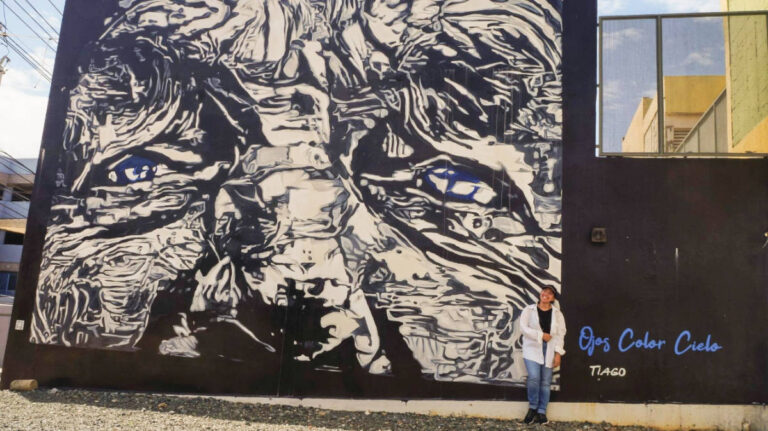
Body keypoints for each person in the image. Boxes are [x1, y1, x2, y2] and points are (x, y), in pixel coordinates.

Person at [520, 286, 566, 425]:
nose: (546, 294)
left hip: (550, 349)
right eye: (544, 291)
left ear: (553, 298)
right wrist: (540, 335)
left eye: (550, 293)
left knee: (546, 382)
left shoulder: (557, 314)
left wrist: (558, 353)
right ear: (540, 294)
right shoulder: (529, 310)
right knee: (534, 378)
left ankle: (541, 411)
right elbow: (523, 328)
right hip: (532, 348)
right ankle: (532, 408)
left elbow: (560, 334)